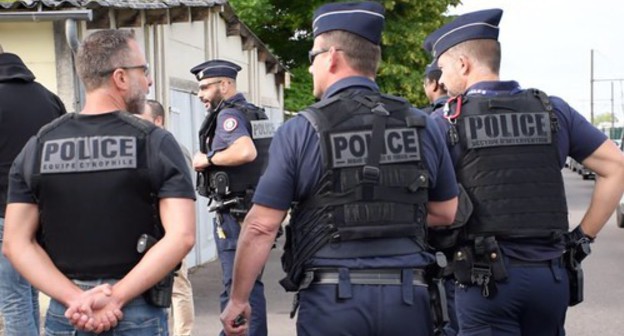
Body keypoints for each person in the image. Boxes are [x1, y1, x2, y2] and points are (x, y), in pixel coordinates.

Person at [220, 2, 459, 335]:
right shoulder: (423, 125)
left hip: (332, 301)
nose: (311, 69)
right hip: (409, 298)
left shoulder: (301, 129)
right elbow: (446, 212)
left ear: (331, 57)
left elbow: (260, 226)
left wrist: (239, 299)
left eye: (312, 58)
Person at [424, 9, 624, 335]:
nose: (441, 81)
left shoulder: (444, 121)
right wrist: (582, 239)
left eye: (443, 69)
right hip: (551, 279)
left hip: (483, 284)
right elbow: (616, 166)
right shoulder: (552, 110)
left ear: (463, 64)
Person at [2, 29, 196, 335]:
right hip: (135, 310)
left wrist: (75, 299)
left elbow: (16, 243)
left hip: (67, 313)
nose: (149, 81)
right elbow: (182, 235)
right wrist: (115, 297)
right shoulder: (155, 142)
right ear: (120, 77)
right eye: (143, 71)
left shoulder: (39, 146)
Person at [190, 59, 272, 336]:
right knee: (249, 284)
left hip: (236, 213)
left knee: (236, 285)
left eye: (205, 87)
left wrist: (208, 159)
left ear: (224, 85)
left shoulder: (230, 116)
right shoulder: (253, 112)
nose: (200, 94)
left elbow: (246, 152)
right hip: (253, 206)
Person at [0, 44, 66, 336]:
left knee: (14, 299)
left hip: (5, 214)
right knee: (29, 293)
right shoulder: (49, 98)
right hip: (48, 214)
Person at [139, 99, 196, 336]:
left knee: (177, 286)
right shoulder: (148, 146)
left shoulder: (171, 148)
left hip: (170, 228)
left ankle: (183, 333)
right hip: (152, 228)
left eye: (141, 119)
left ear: (158, 120)